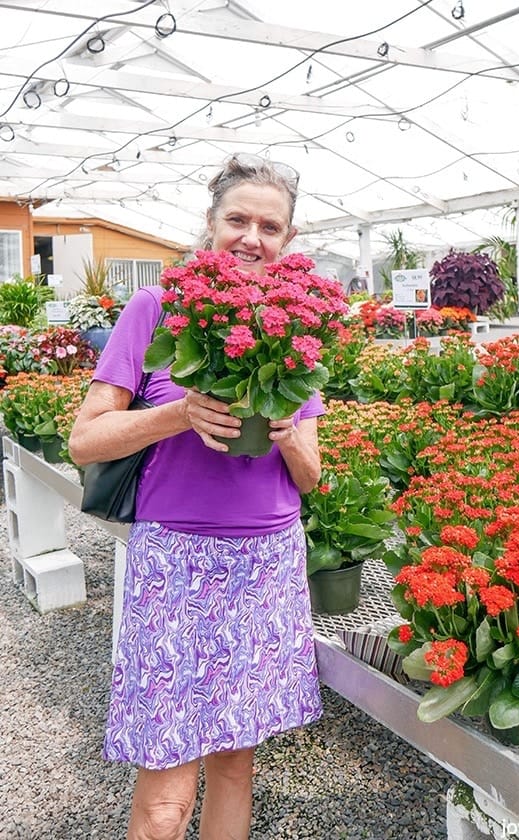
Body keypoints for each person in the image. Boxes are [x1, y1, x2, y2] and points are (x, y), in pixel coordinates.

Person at [68, 153, 324, 840]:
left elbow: (311, 478)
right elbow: (84, 441)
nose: (252, 238)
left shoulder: (296, 329)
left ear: (288, 241)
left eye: (270, 226)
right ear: (209, 225)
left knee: (236, 764)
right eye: (237, 219)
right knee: (165, 792)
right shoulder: (157, 309)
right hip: (177, 564)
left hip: (266, 564)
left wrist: (288, 432)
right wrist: (180, 414)